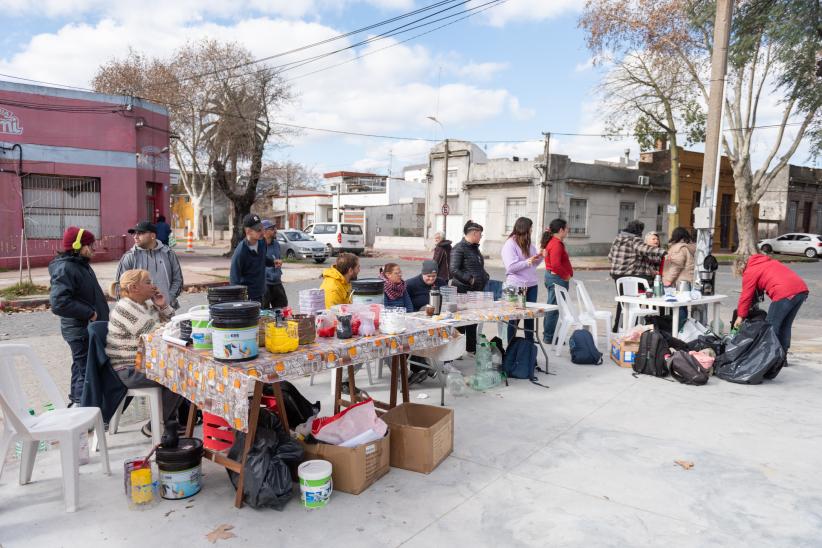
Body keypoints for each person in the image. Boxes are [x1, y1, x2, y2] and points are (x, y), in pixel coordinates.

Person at [106, 269, 182, 437]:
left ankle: (167, 420)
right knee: (180, 376)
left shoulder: (145, 304)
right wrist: (171, 326)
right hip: (130, 370)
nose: (153, 286)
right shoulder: (126, 308)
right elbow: (158, 333)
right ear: (134, 287)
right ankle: (156, 424)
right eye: (148, 282)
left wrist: (163, 306)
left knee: (182, 371)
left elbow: (169, 325)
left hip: (145, 363)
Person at [49, 227, 110, 405]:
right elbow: (59, 302)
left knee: (81, 367)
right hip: (80, 330)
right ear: (79, 246)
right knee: (87, 372)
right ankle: (84, 412)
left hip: (86, 329)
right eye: (90, 245)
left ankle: (77, 403)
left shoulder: (80, 265)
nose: (93, 248)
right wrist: (90, 313)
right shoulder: (66, 268)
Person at [733, 253, 809, 354]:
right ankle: (782, 357)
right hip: (801, 290)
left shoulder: (750, 270)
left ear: (740, 268)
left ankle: (770, 358)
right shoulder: (767, 262)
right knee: (785, 325)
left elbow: (746, 296)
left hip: (785, 293)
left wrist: (740, 316)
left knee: (770, 327)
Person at [608, 220, 666, 332]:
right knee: (637, 298)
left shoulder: (618, 239)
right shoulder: (634, 239)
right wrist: (664, 252)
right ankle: (639, 325)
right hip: (629, 276)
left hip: (616, 275)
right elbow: (646, 249)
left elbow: (610, 256)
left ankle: (617, 327)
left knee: (623, 301)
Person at [116, 220, 184, 310]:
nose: (135, 237)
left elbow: (178, 280)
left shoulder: (168, 254)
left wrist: (168, 299)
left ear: (152, 235)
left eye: (140, 233)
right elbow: (120, 286)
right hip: (140, 312)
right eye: (134, 233)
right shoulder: (129, 257)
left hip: (166, 308)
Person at [450, 221, 489, 352]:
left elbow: (478, 266)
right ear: (473, 233)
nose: (481, 237)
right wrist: (470, 279)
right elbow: (454, 269)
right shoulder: (458, 248)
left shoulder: (474, 248)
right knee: (461, 321)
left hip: (475, 291)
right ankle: (457, 350)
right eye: (480, 234)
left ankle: (471, 348)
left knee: (474, 319)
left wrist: (484, 276)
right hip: (462, 289)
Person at [502, 217, 541, 342]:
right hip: (515, 285)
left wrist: (540, 257)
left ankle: (529, 349)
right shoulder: (510, 244)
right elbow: (511, 267)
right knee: (514, 319)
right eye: (530, 228)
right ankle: (511, 349)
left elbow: (533, 263)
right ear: (525, 229)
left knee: (530, 317)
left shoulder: (528, 243)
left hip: (532, 285)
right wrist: (527, 262)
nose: (532, 231)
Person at [230, 213, 276, 303]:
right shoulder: (240, 252)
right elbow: (234, 279)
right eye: (258, 230)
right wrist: (239, 301)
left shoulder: (262, 242)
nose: (262, 232)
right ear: (248, 231)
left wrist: (272, 262)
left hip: (262, 292)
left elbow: (262, 258)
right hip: (248, 298)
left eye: (262, 228)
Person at [541, 218, 572, 344]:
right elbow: (556, 265)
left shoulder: (554, 242)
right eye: (566, 229)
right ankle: (549, 336)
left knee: (552, 307)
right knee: (554, 309)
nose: (568, 231)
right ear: (561, 230)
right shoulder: (556, 244)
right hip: (557, 279)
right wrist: (566, 276)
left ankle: (549, 335)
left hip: (554, 278)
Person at [261, 220, 287, 309]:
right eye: (272, 229)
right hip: (264, 284)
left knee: (282, 310)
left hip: (277, 282)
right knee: (264, 313)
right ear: (264, 231)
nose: (275, 230)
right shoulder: (258, 245)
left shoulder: (276, 244)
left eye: (275, 228)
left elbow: (277, 259)